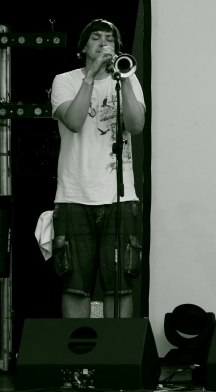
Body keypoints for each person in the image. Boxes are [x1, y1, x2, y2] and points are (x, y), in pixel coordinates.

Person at [50, 19, 146, 318]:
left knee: (120, 286)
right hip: (74, 195)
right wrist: (91, 76)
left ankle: (119, 347)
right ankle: (75, 345)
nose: (104, 43)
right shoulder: (64, 80)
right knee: (75, 285)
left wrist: (125, 78)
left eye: (110, 39)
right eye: (96, 38)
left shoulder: (128, 79)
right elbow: (74, 122)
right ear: (83, 48)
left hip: (119, 197)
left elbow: (136, 126)